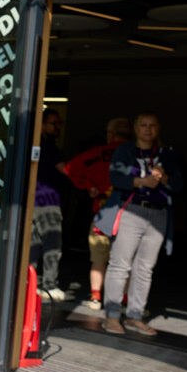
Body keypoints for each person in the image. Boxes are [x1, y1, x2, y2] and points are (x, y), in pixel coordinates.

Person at [100, 112, 181, 336]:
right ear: (135, 128)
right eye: (143, 125)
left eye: (152, 125)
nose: (147, 129)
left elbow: (180, 184)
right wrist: (141, 182)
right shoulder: (125, 150)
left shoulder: (167, 154)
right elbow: (115, 178)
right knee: (120, 264)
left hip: (158, 214)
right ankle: (112, 316)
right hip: (132, 210)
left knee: (145, 268)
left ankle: (135, 316)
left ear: (158, 128)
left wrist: (164, 177)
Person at [64, 117, 132, 310]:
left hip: (103, 213)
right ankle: (124, 300)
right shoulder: (137, 155)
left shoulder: (97, 153)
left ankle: (95, 298)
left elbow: (70, 169)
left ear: (110, 134)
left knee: (98, 258)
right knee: (126, 261)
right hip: (131, 215)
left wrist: (89, 185)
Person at [32, 108, 72, 301]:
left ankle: (32, 284)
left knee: (35, 245)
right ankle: (49, 285)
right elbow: (66, 170)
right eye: (53, 123)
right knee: (51, 244)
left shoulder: (37, 144)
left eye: (59, 123)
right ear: (42, 124)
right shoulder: (48, 147)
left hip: (35, 202)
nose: (57, 127)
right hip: (47, 202)